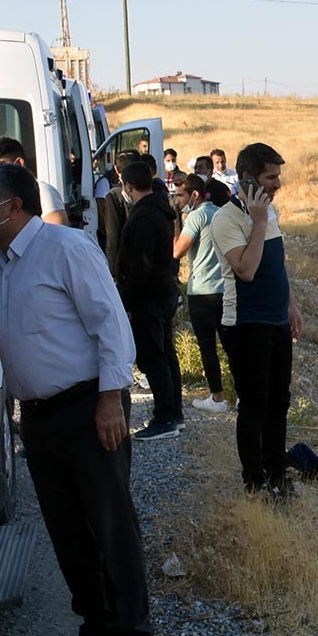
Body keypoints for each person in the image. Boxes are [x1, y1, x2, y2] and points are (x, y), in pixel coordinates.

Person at [0, 161, 153, 636]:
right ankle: (95, 630)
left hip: (88, 408)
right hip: (42, 419)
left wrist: (112, 399)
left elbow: (112, 326)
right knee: (68, 533)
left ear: (15, 205)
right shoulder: (4, 262)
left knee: (110, 526)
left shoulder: (65, 249)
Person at [210, 141, 303, 498]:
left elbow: (275, 265)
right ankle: (254, 481)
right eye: (270, 177)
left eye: (278, 176)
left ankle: (277, 473)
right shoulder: (226, 219)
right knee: (254, 404)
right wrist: (259, 221)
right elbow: (246, 271)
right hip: (246, 325)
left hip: (276, 321)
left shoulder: (270, 212)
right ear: (247, 178)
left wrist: (290, 305)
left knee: (280, 401)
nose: (277, 184)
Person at [115, 156, 184, 441]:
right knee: (165, 354)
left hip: (149, 296)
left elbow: (141, 264)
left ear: (127, 185)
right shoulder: (160, 209)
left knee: (153, 357)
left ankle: (165, 417)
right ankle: (174, 413)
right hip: (162, 291)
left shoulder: (143, 215)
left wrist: (127, 301)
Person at [172, 171, 231, 415]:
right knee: (230, 344)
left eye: (180, 195)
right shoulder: (220, 213)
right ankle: (241, 394)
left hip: (202, 290)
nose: (178, 201)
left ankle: (217, 397)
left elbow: (177, 251)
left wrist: (175, 223)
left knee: (207, 346)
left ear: (194, 194)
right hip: (225, 288)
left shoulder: (196, 217)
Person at [0, 136, 68, 225]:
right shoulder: (2, 194)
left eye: (0, 166)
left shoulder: (42, 191)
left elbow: (57, 232)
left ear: (19, 163)